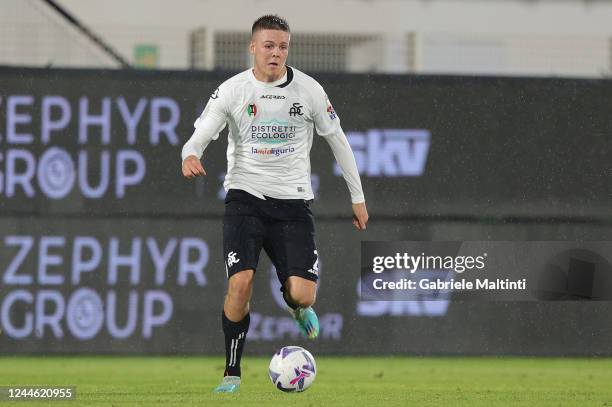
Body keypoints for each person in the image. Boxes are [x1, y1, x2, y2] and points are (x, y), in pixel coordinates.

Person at [181, 14, 368, 393]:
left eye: (282, 46)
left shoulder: (309, 91)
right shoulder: (233, 90)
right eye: (268, 45)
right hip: (244, 199)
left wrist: (358, 197)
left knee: (302, 293)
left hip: (293, 206)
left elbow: (339, 141)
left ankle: (298, 308)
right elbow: (201, 133)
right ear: (252, 47)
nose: (276, 53)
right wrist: (190, 154)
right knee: (241, 283)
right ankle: (232, 373)